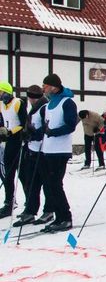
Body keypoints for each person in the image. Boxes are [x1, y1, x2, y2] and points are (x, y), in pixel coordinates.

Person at [38, 74, 78, 232]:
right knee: (49, 185)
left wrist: (53, 132)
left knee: (55, 184)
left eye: (45, 86)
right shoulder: (48, 104)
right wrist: (34, 133)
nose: (43, 89)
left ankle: (65, 218)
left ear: (54, 87)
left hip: (60, 150)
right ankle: (58, 217)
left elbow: (70, 126)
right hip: (48, 150)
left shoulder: (67, 103)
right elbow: (46, 126)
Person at [14, 85, 51, 226]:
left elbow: (45, 128)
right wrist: (25, 133)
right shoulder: (34, 108)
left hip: (43, 151)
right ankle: (30, 211)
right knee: (31, 182)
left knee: (47, 183)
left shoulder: (44, 107)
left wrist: (33, 134)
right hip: (31, 150)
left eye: (31, 97)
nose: (30, 100)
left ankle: (49, 210)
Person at [0, 81, 27, 218]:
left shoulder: (18, 103)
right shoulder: (1, 105)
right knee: (8, 174)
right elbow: (2, 120)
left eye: (0, 92)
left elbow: (24, 123)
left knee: (22, 175)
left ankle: (29, 204)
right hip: (8, 142)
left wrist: (10, 131)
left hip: (18, 141)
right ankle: (9, 203)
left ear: (6, 92)